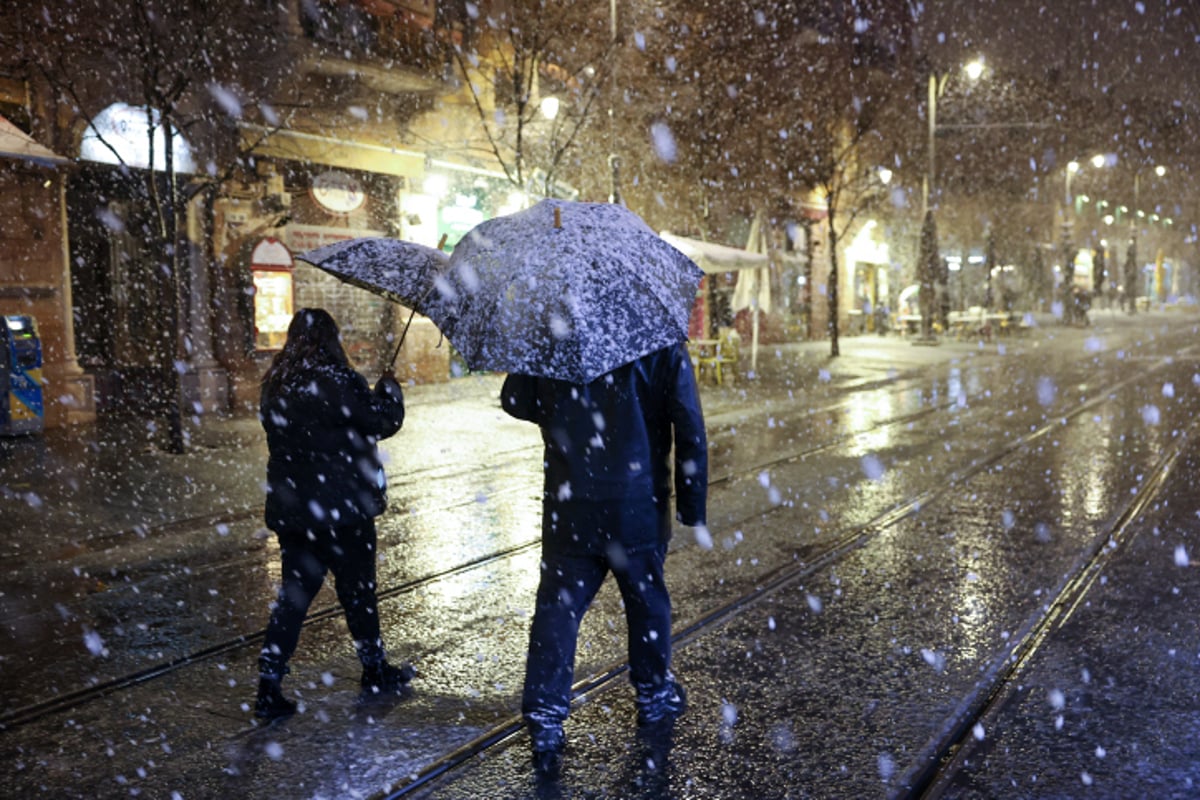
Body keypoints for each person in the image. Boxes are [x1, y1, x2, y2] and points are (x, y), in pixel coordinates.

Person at [500, 342, 708, 772]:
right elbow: (689, 424)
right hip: (637, 505)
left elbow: (516, 400)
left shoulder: (556, 333)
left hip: (571, 503)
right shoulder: (660, 340)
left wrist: (559, 398)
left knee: (558, 610)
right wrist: (692, 505)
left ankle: (545, 717)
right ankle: (653, 695)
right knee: (646, 603)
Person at [254, 308, 413, 720]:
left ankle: (268, 684)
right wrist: (389, 390)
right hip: (344, 511)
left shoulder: (276, 384)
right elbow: (381, 421)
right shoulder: (341, 381)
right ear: (332, 340)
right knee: (358, 592)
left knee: (293, 598)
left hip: (296, 513)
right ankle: (374, 668)